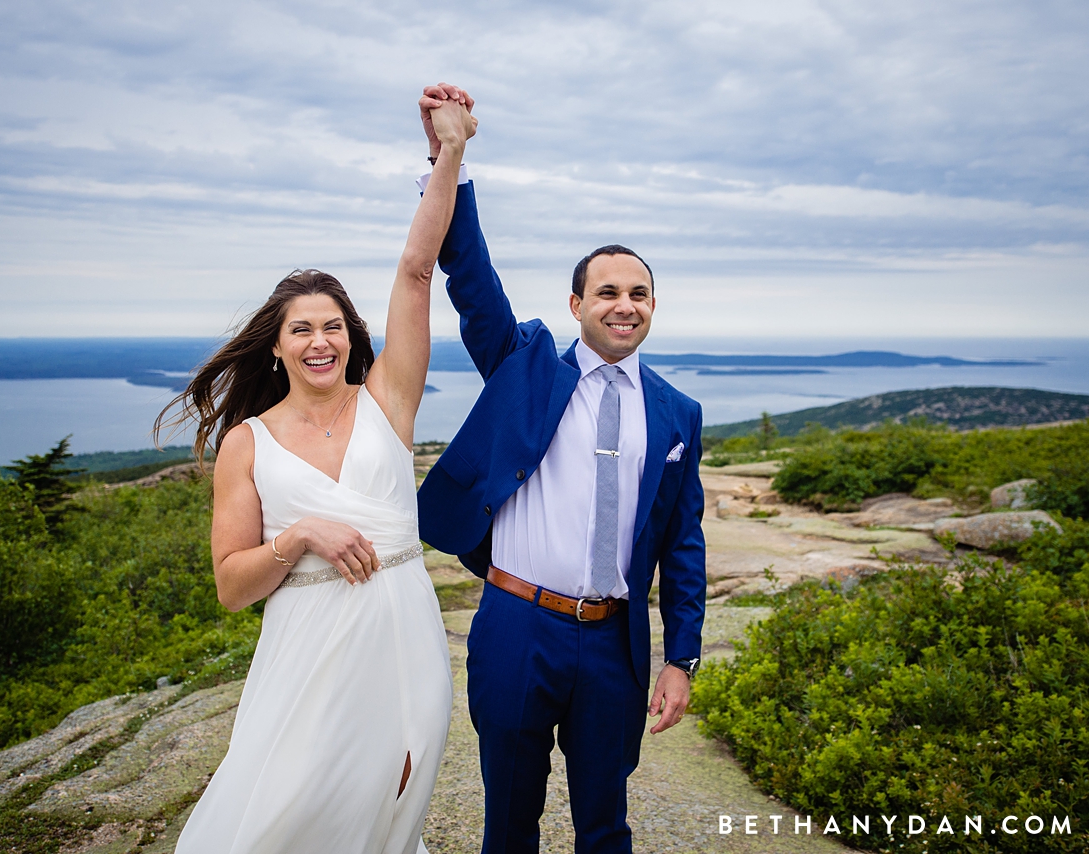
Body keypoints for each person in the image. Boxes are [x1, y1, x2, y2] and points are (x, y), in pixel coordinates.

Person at [164, 91, 477, 854]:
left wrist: (451, 153)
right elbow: (232, 588)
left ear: (351, 337)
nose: (319, 341)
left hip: (400, 632)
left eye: (332, 327)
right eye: (300, 329)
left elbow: (414, 270)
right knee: (286, 813)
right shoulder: (248, 443)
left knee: (390, 806)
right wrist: (300, 533)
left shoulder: (388, 402)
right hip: (306, 647)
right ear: (275, 347)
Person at [417, 84, 706, 854]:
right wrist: (453, 158)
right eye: (608, 292)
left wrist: (681, 656)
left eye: (640, 293)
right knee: (508, 821)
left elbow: (682, 546)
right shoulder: (526, 365)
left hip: (613, 641)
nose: (625, 304)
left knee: (606, 827)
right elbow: (469, 278)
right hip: (518, 623)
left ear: (653, 306)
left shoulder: (678, 414)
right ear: (576, 302)